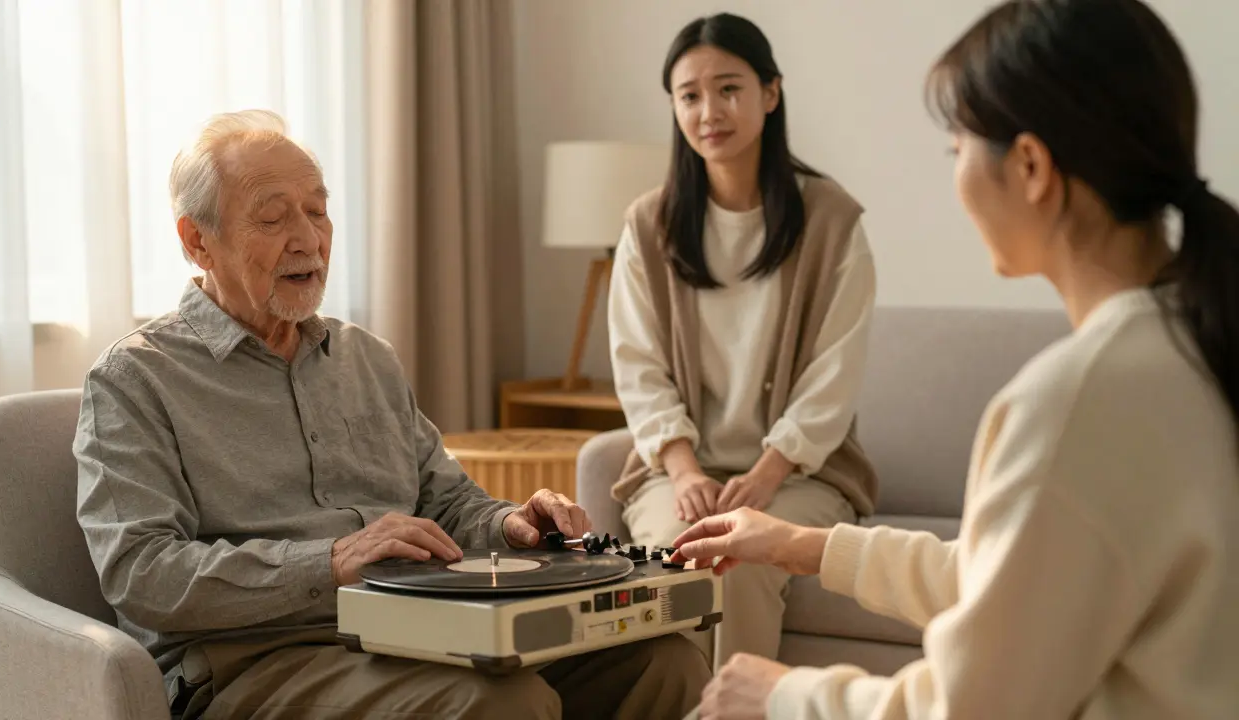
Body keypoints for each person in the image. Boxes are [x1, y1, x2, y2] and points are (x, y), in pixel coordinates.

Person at [671, 1, 1239, 718]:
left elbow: (970, 709)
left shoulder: (1077, 401)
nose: (956, 175)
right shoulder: (1193, 344)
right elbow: (1019, 579)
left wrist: (783, 694)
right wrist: (806, 546)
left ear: (1030, 165)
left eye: (956, 149)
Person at [74, 109, 710, 720]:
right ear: (197, 242)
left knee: (665, 662)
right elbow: (141, 572)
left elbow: (449, 505)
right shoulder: (134, 379)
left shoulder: (365, 359)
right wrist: (329, 562)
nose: (308, 238)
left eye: (318, 211)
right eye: (272, 218)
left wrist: (513, 525)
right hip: (253, 660)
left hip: (413, 632)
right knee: (502, 703)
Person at [606, 13, 880, 670]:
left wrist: (767, 472)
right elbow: (637, 365)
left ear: (771, 93)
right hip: (679, 473)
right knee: (683, 557)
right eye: (690, 95)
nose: (710, 112)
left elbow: (834, 373)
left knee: (747, 557)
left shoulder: (832, 221)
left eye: (729, 89)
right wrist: (684, 469)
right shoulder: (649, 225)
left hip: (800, 474)